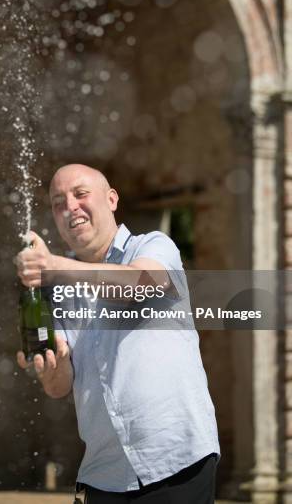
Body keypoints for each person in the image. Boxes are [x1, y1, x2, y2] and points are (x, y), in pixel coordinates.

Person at [16, 164, 220, 503]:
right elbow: (60, 385)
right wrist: (52, 370)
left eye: (81, 194)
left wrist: (54, 266)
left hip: (176, 459)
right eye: (58, 202)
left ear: (111, 199)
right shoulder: (55, 291)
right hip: (104, 474)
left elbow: (140, 283)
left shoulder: (154, 246)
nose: (70, 207)